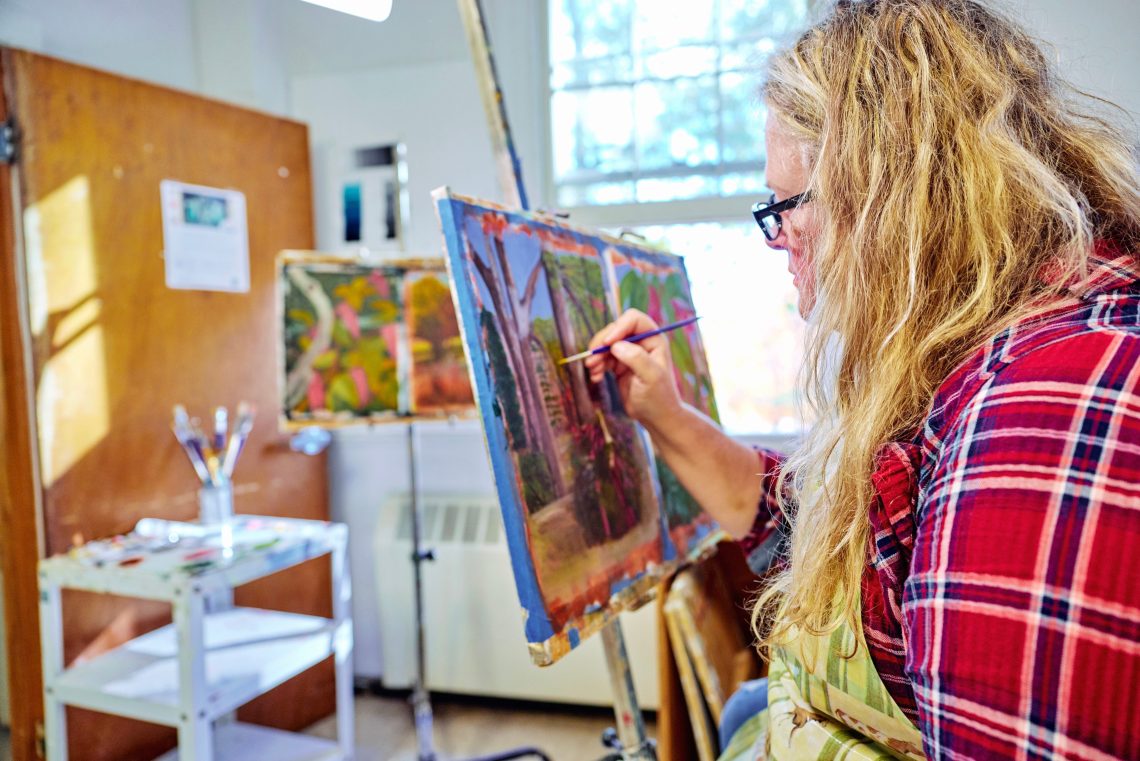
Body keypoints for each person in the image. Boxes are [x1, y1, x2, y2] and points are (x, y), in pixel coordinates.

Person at [586, 1, 1140, 758]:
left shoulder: (1044, 416)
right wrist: (665, 416)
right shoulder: (977, 356)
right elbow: (808, 532)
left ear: (885, 194)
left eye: (785, 205)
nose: (778, 239)